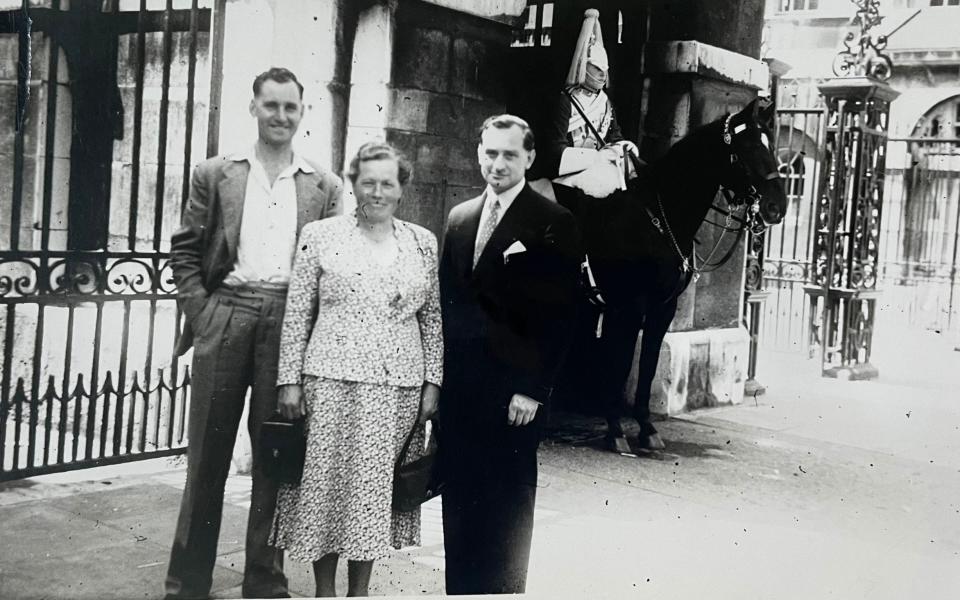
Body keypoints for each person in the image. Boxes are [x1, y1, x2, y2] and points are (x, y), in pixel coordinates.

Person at [165, 67, 343, 599]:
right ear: (254, 108)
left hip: (288, 326)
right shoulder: (216, 172)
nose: (281, 117)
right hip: (227, 315)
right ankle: (187, 582)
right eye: (272, 106)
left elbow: (329, 268)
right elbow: (185, 250)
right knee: (207, 460)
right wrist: (203, 315)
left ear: (302, 113)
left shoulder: (324, 184)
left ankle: (265, 582)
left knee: (275, 457)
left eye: (291, 108)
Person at [269, 141, 443, 598]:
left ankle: (359, 593)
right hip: (331, 384)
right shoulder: (322, 235)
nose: (378, 192)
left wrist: (433, 382)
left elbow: (434, 319)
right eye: (368, 182)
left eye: (388, 183)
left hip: (397, 389)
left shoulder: (422, 242)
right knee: (326, 490)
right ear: (353, 184)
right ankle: (325, 591)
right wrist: (289, 380)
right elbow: (297, 313)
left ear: (402, 188)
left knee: (372, 495)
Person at [438, 115, 581, 595]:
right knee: (458, 503)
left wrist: (532, 389)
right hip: (462, 393)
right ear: (478, 153)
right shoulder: (459, 218)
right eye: (490, 153)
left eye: (509, 155)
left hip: (512, 394)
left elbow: (560, 316)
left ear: (530, 158)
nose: (497, 164)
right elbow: (446, 307)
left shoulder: (553, 222)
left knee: (507, 504)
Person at [532, 8, 640, 200]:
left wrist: (623, 146)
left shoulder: (605, 102)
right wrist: (596, 158)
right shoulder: (565, 101)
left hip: (599, 168)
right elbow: (555, 150)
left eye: (605, 70)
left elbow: (614, 136)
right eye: (597, 68)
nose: (602, 75)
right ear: (583, 66)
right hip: (567, 174)